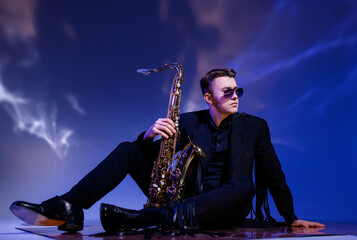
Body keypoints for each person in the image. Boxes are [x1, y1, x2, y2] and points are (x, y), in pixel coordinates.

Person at [10, 68, 324, 233]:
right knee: (127, 149)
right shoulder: (188, 120)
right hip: (183, 199)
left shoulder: (255, 126)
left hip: (224, 207)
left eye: (237, 90)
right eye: (227, 91)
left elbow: (273, 172)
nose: (236, 96)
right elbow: (160, 161)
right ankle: (68, 206)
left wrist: (291, 216)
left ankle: (147, 218)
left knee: (245, 184)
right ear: (207, 97)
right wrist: (148, 136)